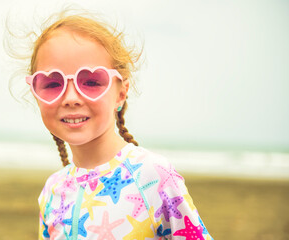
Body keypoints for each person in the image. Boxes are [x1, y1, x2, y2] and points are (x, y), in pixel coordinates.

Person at [23, 10, 213, 240]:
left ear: (121, 93)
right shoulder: (52, 192)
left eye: (92, 81)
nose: (71, 97)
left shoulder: (153, 177)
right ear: (35, 92)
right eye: (52, 83)